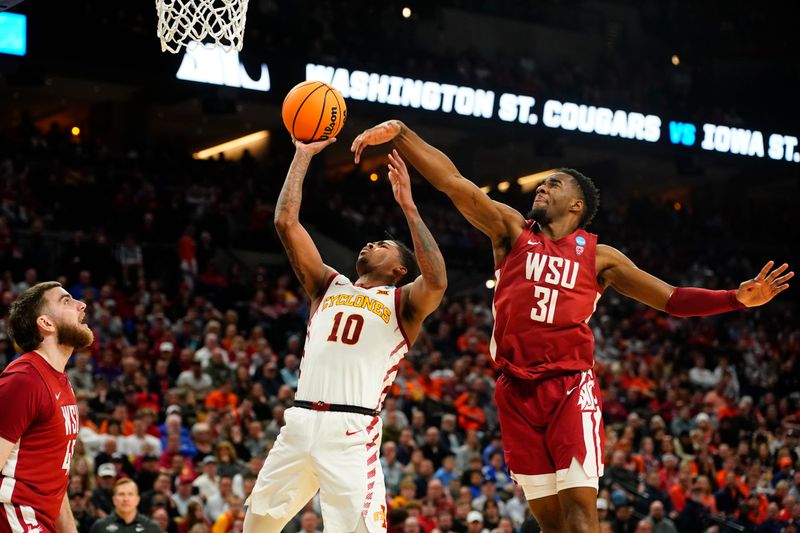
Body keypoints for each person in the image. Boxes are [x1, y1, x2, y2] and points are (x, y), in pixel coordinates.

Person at [351, 120, 794, 533]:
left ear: (576, 205)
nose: (541, 187)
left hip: (568, 386)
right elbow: (454, 183)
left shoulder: (601, 257)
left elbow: (670, 299)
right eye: (542, 183)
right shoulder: (511, 231)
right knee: (551, 522)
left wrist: (735, 299)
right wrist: (402, 134)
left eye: (553, 184)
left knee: (581, 512)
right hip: (513, 388)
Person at [243, 137, 446, 533]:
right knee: (257, 526)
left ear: (399, 269)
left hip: (352, 431)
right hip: (300, 422)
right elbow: (285, 222)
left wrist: (408, 206)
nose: (370, 243)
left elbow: (437, 279)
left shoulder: (402, 302)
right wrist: (302, 155)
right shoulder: (327, 285)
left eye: (383, 244)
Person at [0, 282, 95, 532]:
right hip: (14, 518)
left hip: (41, 520)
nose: (81, 305)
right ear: (46, 323)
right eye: (66, 301)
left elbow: (54, 480)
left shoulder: (61, 381)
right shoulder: (24, 380)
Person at [89, 478, 161, 533]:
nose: (126, 499)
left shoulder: (151, 528)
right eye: (121, 494)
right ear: (114, 500)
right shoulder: (100, 527)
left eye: (130, 494)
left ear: (137, 500)